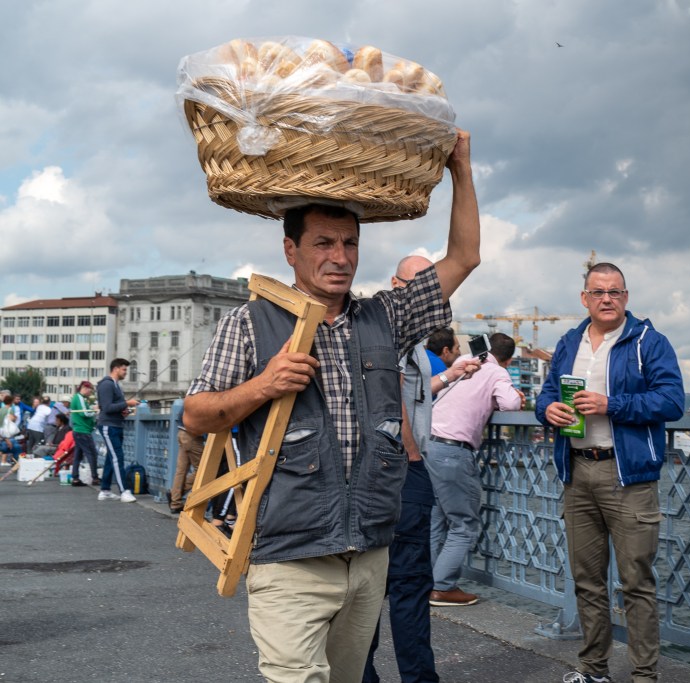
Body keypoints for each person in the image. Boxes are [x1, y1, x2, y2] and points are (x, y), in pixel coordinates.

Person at [183, 129, 480, 683]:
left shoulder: (384, 317)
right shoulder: (250, 322)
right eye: (323, 243)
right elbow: (196, 414)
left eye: (349, 244)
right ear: (290, 250)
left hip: (368, 554)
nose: (339, 258)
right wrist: (264, 384)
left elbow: (464, 257)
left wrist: (461, 169)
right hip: (289, 556)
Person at [536, 262, 685, 683]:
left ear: (626, 297)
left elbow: (672, 401)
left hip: (628, 477)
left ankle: (644, 676)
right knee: (587, 581)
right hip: (577, 471)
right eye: (598, 292)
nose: (607, 299)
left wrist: (611, 405)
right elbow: (546, 394)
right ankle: (594, 671)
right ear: (584, 298)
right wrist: (547, 410)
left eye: (615, 292)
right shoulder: (569, 342)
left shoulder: (649, 342)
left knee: (637, 583)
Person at [363, 258, 481, 683]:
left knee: (369, 587)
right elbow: (392, 393)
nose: (430, 293)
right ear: (395, 285)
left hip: (381, 470)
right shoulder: (391, 330)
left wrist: (450, 375)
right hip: (399, 470)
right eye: (420, 284)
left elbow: (414, 392)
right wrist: (411, 456)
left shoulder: (399, 335)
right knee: (404, 585)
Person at [428, 332, 523, 607]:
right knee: (464, 524)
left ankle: (427, 582)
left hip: (430, 445)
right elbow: (510, 404)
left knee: (436, 520)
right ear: (508, 360)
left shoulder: (465, 362)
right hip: (454, 452)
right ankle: (442, 587)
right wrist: (514, 394)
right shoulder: (496, 371)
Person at [96, 359, 140, 502]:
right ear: (115, 369)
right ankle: (124, 491)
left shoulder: (116, 385)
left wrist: (123, 410)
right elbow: (107, 407)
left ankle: (105, 490)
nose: (125, 372)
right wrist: (127, 403)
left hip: (116, 424)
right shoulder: (107, 384)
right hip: (108, 426)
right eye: (124, 369)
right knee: (117, 457)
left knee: (111, 457)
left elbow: (114, 406)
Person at [168, 417, 205, 515]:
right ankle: (174, 495)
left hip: (182, 432)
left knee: (181, 470)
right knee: (203, 469)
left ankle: (175, 502)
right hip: (192, 435)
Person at [70, 381, 98, 486]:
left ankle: (75, 478)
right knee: (92, 454)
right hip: (83, 431)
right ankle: (95, 477)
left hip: (79, 431)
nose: (91, 393)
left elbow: (84, 410)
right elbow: (84, 413)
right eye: (90, 390)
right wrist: (95, 412)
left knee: (78, 455)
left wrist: (92, 408)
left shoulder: (78, 398)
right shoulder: (79, 397)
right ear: (85, 388)